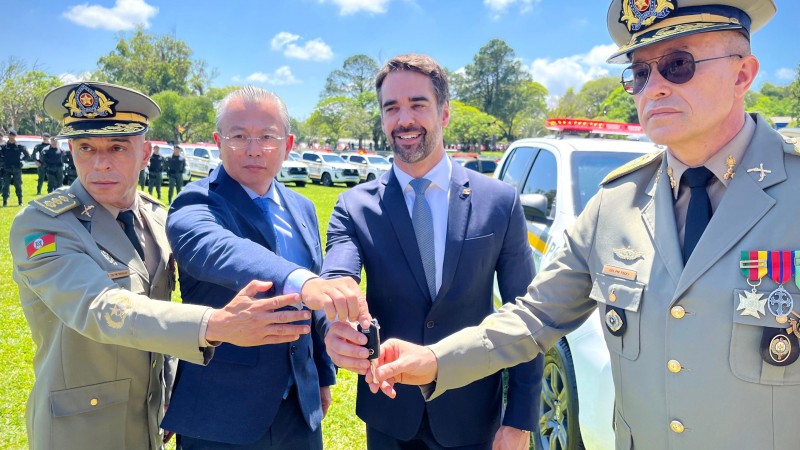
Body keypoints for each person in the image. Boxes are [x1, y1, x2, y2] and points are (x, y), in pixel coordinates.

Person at [369, 1, 800, 449]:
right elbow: (536, 316)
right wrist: (436, 359)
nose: (652, 88)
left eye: (677, 65)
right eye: (639, 73)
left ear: (743, 74)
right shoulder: (615, 205)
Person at [10, 81, 365, 450]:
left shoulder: (154, 217)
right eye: (86, 148)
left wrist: (322, 371)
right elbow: (102, 308)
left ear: (145, 153)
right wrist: (217, 325)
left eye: (117, 147)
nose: (101, 162)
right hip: (84, 421)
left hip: (154, 414)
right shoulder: (45, 225)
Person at [321, 54, 542, 450]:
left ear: (444, 113)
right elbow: (338, 271)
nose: (404, 119)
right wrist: (335, 308)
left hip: (473, 414)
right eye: (392, 108)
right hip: (389, 414)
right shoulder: (354, 206)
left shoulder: (500, 202)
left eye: (417, 104)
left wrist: (521, 420)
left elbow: (526, 314)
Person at [162, 86, 336, 449]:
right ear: (218, 141)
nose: (254, 148)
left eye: (267, 137)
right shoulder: (197, 201)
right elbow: (216, 248)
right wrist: (297, 279)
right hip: (221, 413)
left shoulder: (302, 208)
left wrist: (321, 374)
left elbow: (312, 301)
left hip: (298, 410)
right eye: (239, 136)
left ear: (287, 145)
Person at [2, 129, 27, 206]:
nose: (10, 137)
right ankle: (5, 201)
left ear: (15, 136)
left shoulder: (20, 146)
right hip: (6, 168)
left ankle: (20, 201)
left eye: (12, 135)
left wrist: (22, 162)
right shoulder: (4, 147)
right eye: (9, 135)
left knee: (18, 184)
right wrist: (2, 163)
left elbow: (27, 156)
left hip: (16, 168)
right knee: (6, 184)